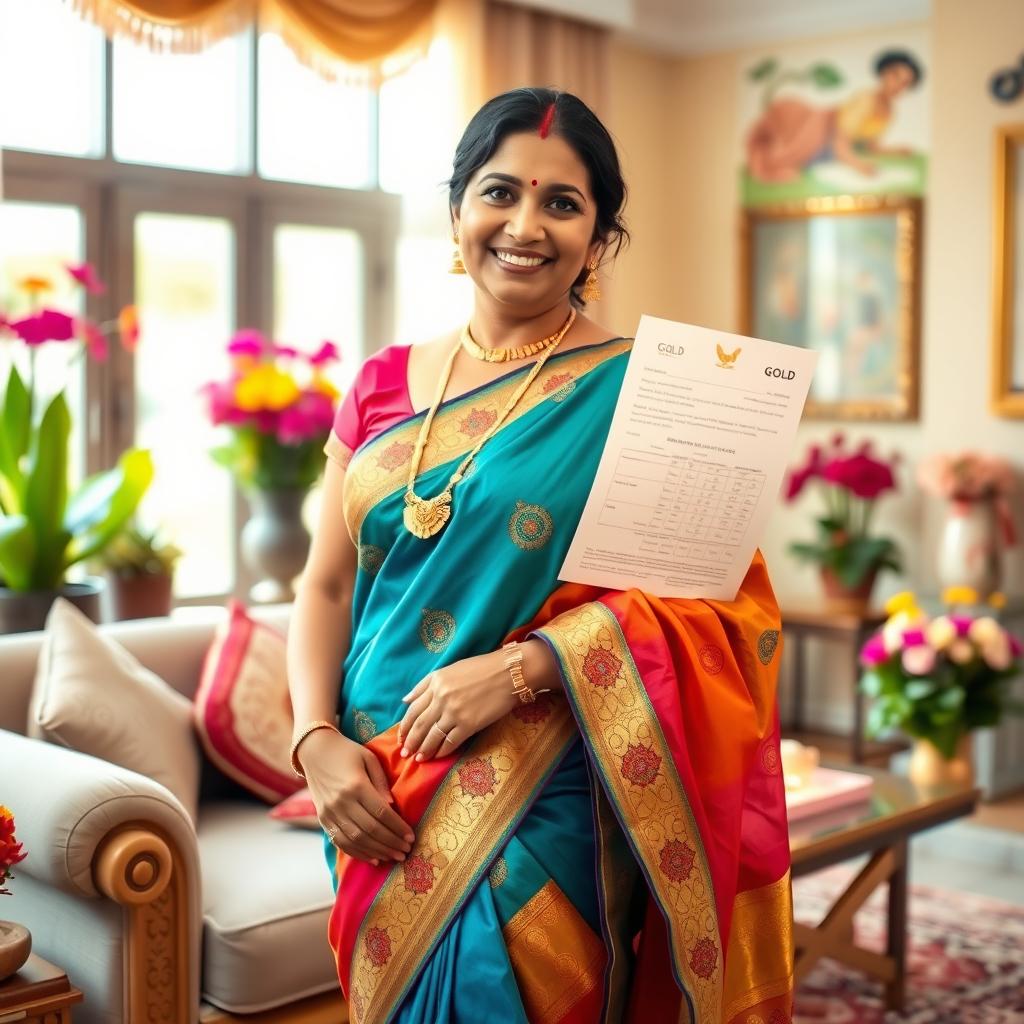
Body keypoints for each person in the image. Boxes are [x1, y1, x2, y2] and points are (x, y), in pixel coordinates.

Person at [287, 87, 794, 1024]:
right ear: (456, 211)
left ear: (600, 239)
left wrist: (525, 669)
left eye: (563, 203)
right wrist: (314, 742)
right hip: (371, 779)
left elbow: (721, 615)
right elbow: (322, 585)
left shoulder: (648, 392)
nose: (525, 225)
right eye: (500, 192)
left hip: (544, 783)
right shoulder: (378, 385)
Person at [746, 49, 923, 183]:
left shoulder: (889, 111)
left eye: (906, 82)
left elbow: (871, 146)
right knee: (788, 157)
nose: (899, 85)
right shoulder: (865, 100)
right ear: (884, 73)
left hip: (839, 147)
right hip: (822, 134)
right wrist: (858, 166)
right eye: (896, 76)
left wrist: (895, 151)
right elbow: (840, 141)